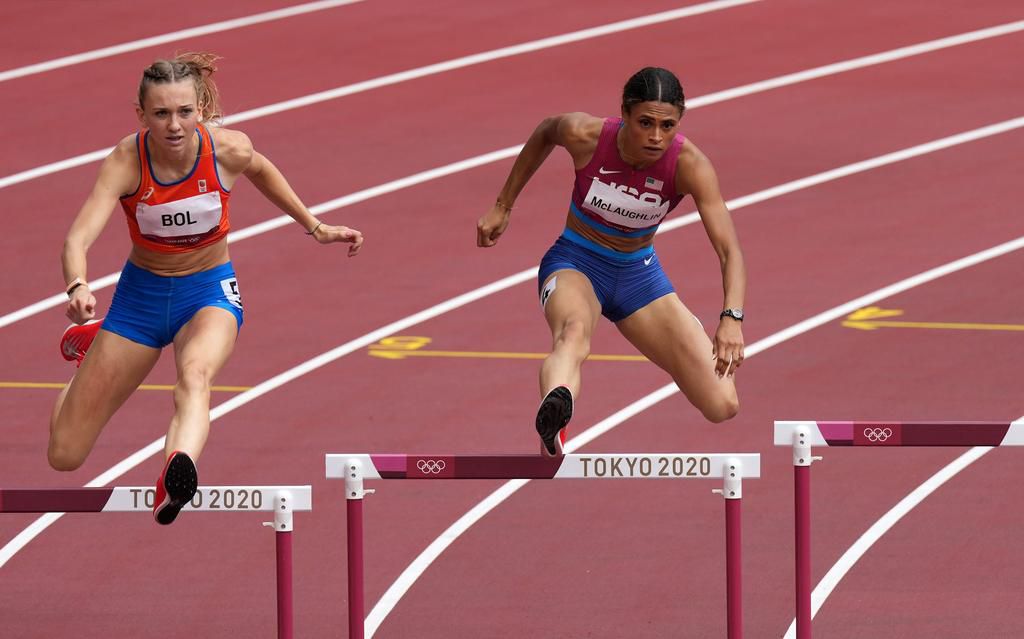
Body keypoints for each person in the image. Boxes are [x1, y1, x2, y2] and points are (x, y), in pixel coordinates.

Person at [51, 53, 363, 524]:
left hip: (209, 293)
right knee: (65, 454)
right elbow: (78, 236)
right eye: (161, 114)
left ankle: (177, 472)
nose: (174, 125)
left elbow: (262, 171)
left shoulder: (227, 149)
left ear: (200, 108)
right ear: (141, 116)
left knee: (195, 375)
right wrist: (77, 283)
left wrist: (314, 226)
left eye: (184, 112)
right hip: (140, 300)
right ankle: (91, 351)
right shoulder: (126, 160)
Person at [476, 67, 745, 456]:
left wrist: (731, 318)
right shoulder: (586, 136)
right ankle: (555, 421)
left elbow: (730, 251)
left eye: (667, 125)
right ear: (625, 114)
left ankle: (557, 413)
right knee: (573, 333)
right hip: (576, 262)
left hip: (639, 276)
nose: (656, 137)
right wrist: (503, 205)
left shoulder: (690, 165)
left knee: (722, 403)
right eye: (645, 123)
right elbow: (546, 131)